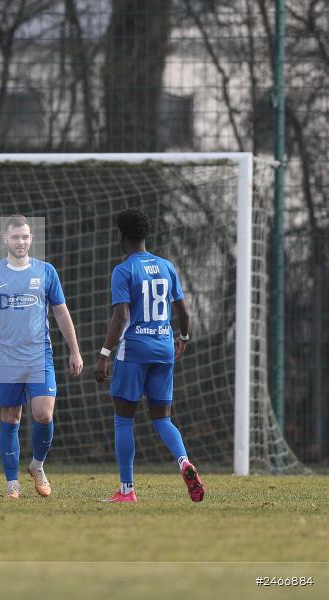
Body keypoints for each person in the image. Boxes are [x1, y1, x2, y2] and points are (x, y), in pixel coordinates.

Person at [0, 215, 83, 499]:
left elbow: (61, 312)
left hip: (39, 355)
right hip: (6, 357)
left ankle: (37, 466)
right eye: (16, 237)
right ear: (5, 239)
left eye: (26, 236)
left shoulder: (46, 271)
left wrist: (75, 349)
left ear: (31, 239)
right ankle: (11, 483)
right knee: (10, 416)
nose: (21, 241)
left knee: (43, 414)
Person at [94, 208, 205, 504]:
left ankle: (127, 490)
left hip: (134, 350)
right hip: (164, 347)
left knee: (123, 420)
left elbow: (120, 316)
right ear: (145, 235)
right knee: (162, 419)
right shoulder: (167, 266)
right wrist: (183, 338)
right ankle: (184, 462)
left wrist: (105, 354)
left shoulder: (124, 270)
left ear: (122, 236)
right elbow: (182, 311)